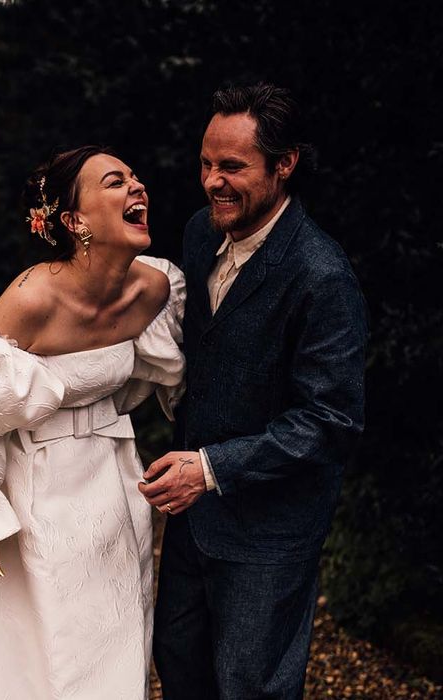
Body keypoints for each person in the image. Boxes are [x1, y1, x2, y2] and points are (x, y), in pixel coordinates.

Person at [0, 145, 186, 699]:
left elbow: (165, 376)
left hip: (112, 486)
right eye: (116, 182)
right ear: (74, 221)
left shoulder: (156, 289)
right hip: (27, 493)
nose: (138, 187)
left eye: (136, 177)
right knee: (26, 652)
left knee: (110, 640)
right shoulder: (33, 297)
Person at [139, 84, 368, 699]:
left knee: (251, 686)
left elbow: (331, 420)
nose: (213, 181)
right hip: (192, 522)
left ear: (284, 163)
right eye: (206, 163)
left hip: (269, 532)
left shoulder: (322, 276)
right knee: (178, 663)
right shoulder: (196, 233)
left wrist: (211, 468)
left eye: (233, 167)